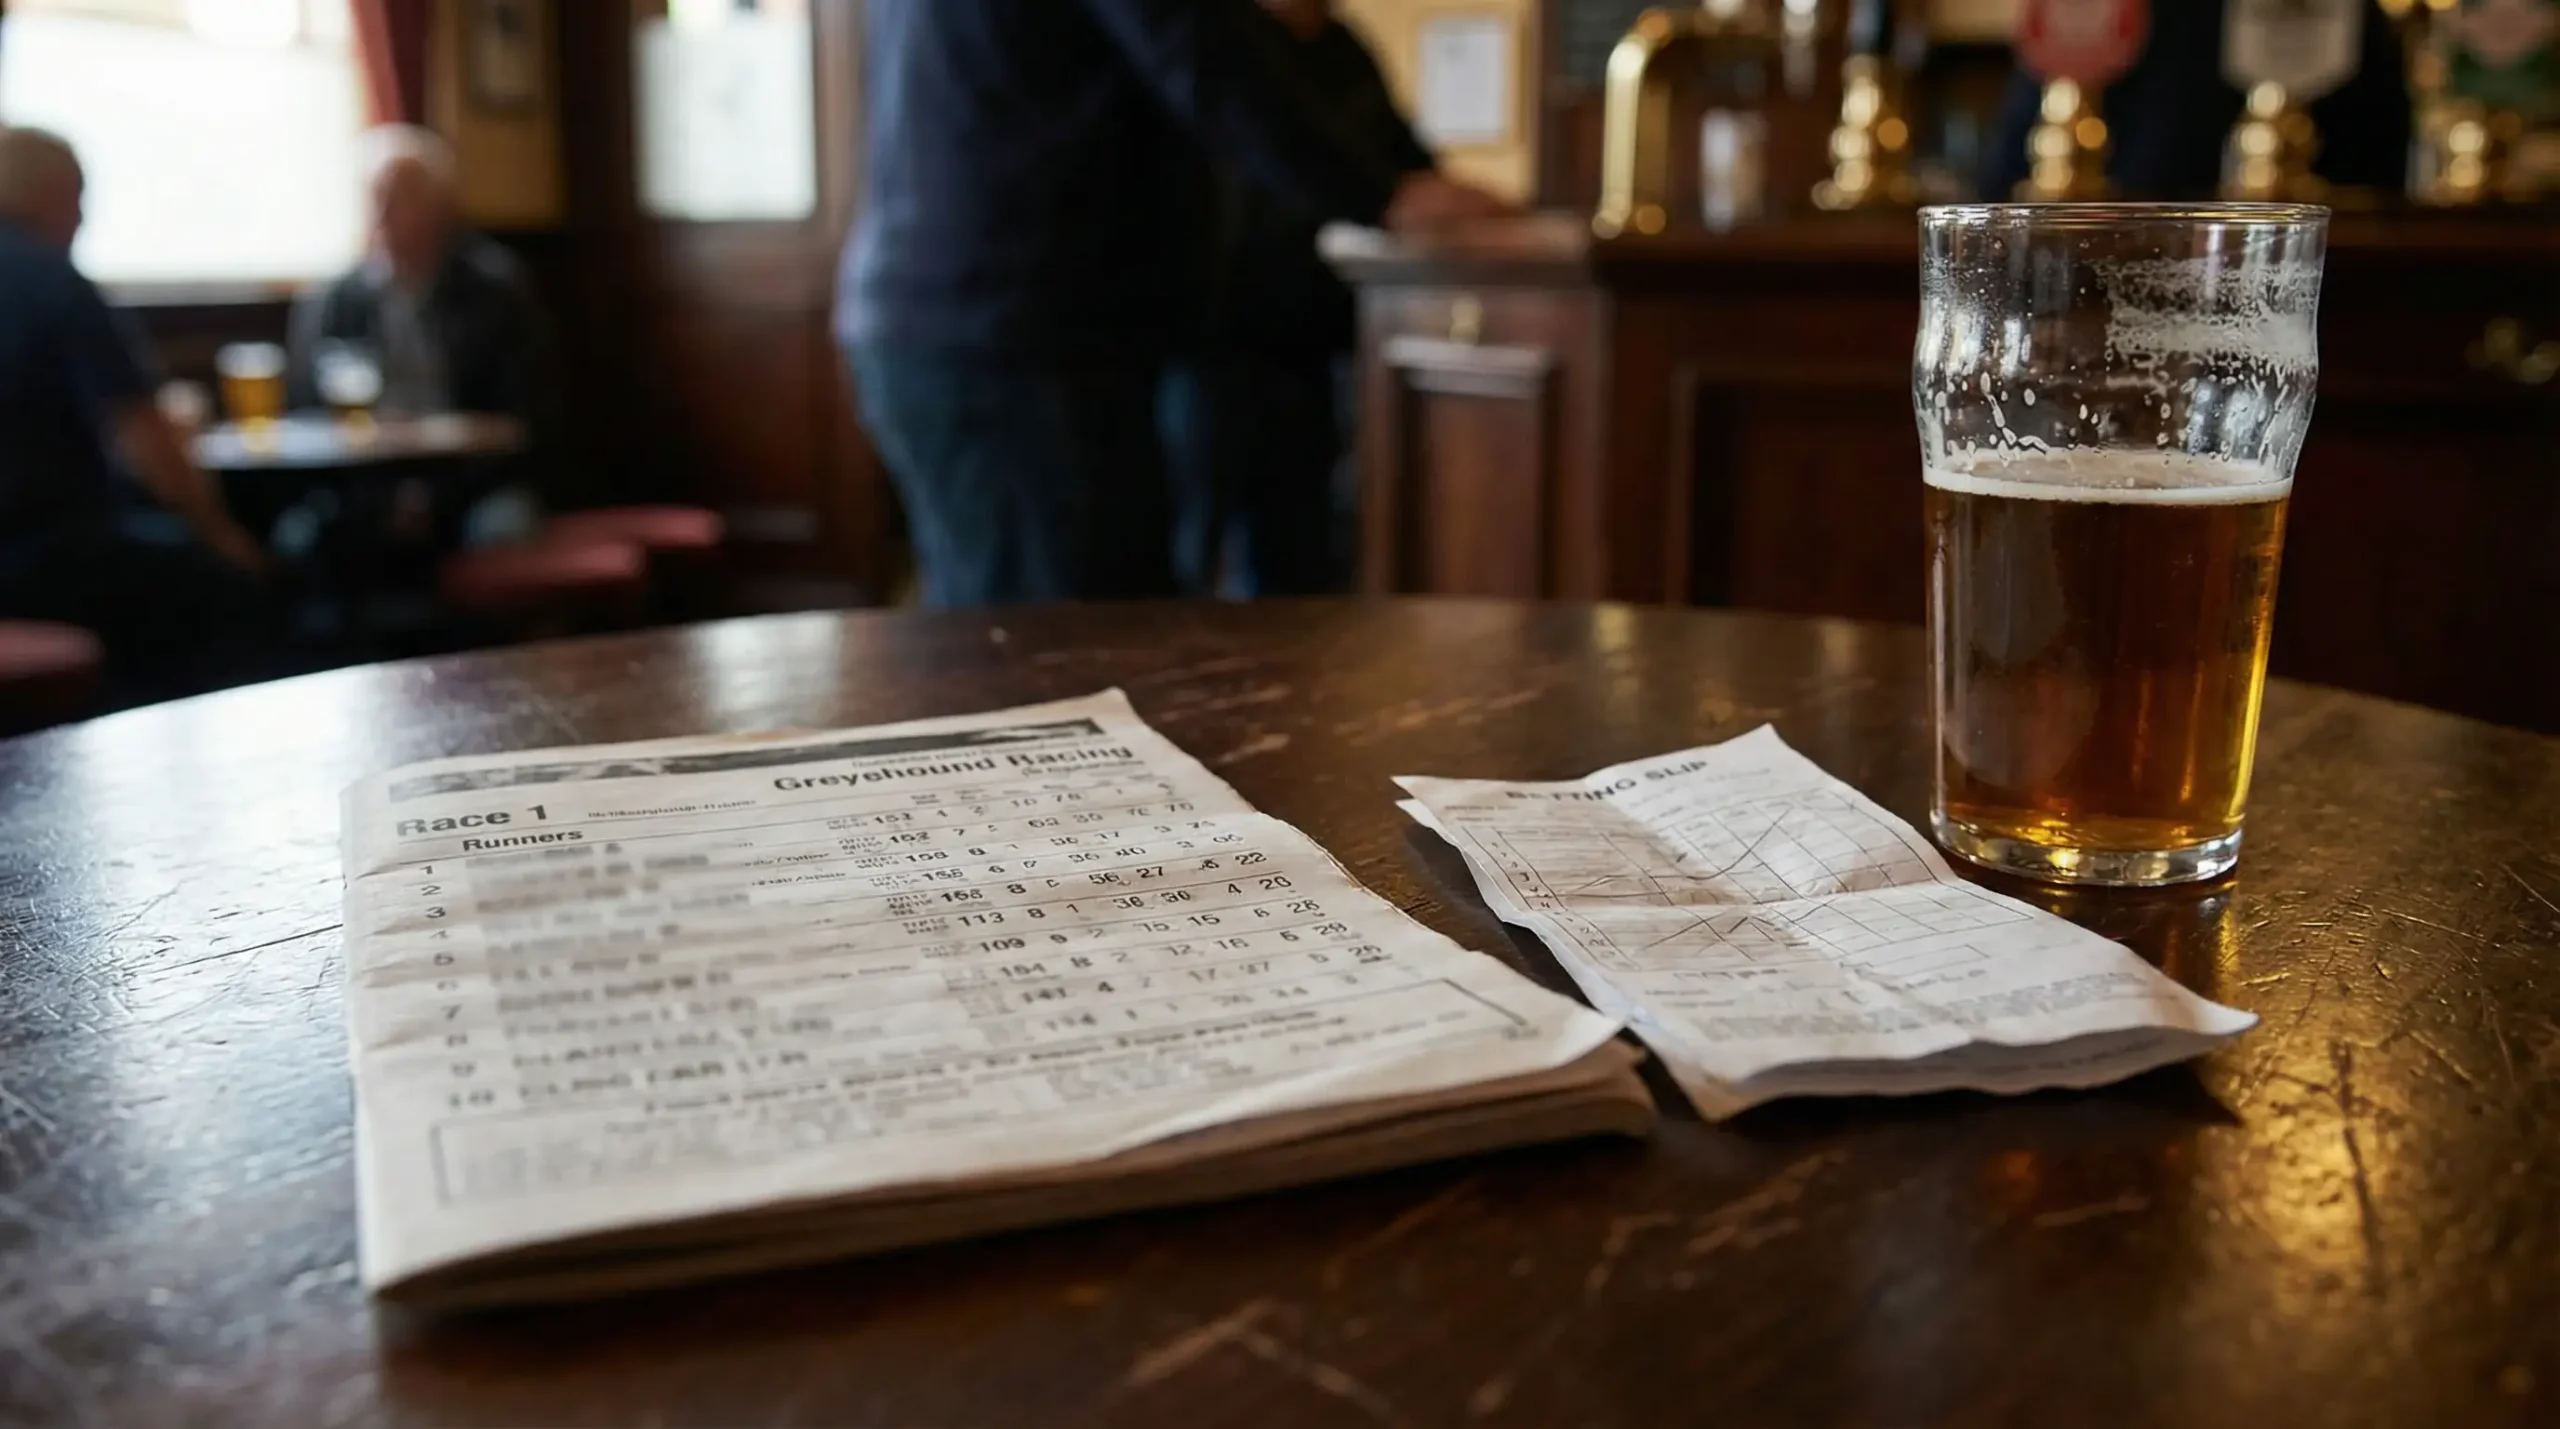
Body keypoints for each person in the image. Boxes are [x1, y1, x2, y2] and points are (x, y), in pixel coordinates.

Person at [842, 0, 1510, 607]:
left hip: (954, 317)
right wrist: (1380, 195)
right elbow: (1204, 62)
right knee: (1057, 658)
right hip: (1011, 333)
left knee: (1022, 639)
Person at [1162, 0, 1445, 598]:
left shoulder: (1343, 50)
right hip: (1211, 341)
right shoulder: (1227, 38)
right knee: (1189, 554)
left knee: (1297, 563)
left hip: (1311, 347)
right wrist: (1385, 196)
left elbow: (1405, 167)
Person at [0, 126, 274, 701]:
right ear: (54, 193)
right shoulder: (54, 282)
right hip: (39, 558)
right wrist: (222, 536)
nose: (81, 221)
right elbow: (145, 442)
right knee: (231, 592)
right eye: (80, 200)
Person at [289, 125, 551, 546]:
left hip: (472, 484)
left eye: (399, 197)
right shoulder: (336, 301)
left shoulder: (494, 292)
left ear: (439, 205)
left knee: (502, 532)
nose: (383, 212)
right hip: (362, 488)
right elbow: (305, 414)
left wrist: (438, 494)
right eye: (375, 197)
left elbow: (524, 415)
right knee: (299, 540)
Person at [1982, 0, 2411, 198]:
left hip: (2285, 299)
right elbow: (2006, 191)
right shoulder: (2086, 22)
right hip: (2103, 295)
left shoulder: (2332, 17)